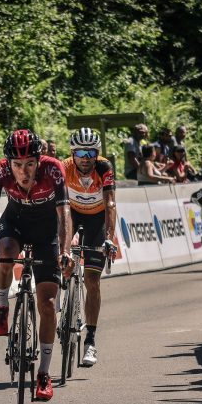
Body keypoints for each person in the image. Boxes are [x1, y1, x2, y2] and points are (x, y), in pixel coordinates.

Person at [0, 129, 73, 401]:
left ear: (39, 160)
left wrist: (65, 250)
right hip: (16, 223)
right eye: (17, 165)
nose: (24, 171)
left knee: (47, 303)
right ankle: (1, 306)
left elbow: (64, 212)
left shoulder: (54, 170)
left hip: (47, 232)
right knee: (6, 251)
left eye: (30, 164)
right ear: (8, 164)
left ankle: (44, 373)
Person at [61, 127, 117, 367]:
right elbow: (60, 207)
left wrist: (109, 238)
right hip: (71, 213)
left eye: (91, 152)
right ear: (73, 153)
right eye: (81, 152)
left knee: (92, 281)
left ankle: (90, 341)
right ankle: (57, 305)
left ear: (97, 154)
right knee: (58, 255)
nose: (86, 158)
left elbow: (111, 203)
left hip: (97, 219)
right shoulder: (64, 168)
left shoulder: (104, 168)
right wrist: (64, 241)